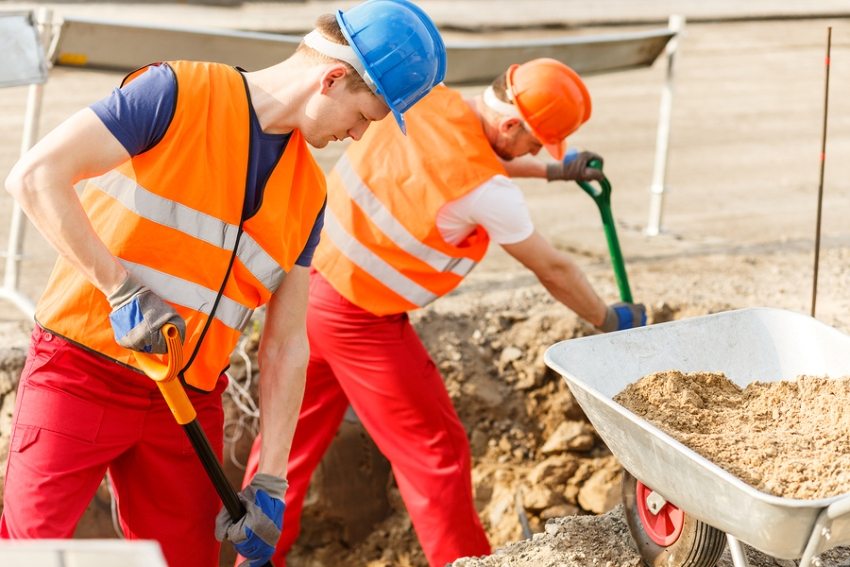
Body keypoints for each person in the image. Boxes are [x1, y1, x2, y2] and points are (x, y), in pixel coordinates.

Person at [0, 1, 446, 566]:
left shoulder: (308, 195)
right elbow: (37, 177)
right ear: (332, 78)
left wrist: (274, 480)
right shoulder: (176, 93)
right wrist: (119, 290)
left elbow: (286, 343)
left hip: (185, 400)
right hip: (80, 371)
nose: (357, 136)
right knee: (30, 552)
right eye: (364, 117)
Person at [240, 57, 647, 566]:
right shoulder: (486, 190)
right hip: (358, 318)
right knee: (436, 452)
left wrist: (553, 171)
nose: (536, 151)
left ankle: (248, 559)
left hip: (303, 291)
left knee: (285, 452)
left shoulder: (429, 102)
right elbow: (555, 270)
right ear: (510, 124)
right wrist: (610, 321)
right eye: (537, 143)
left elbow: (471, 152)